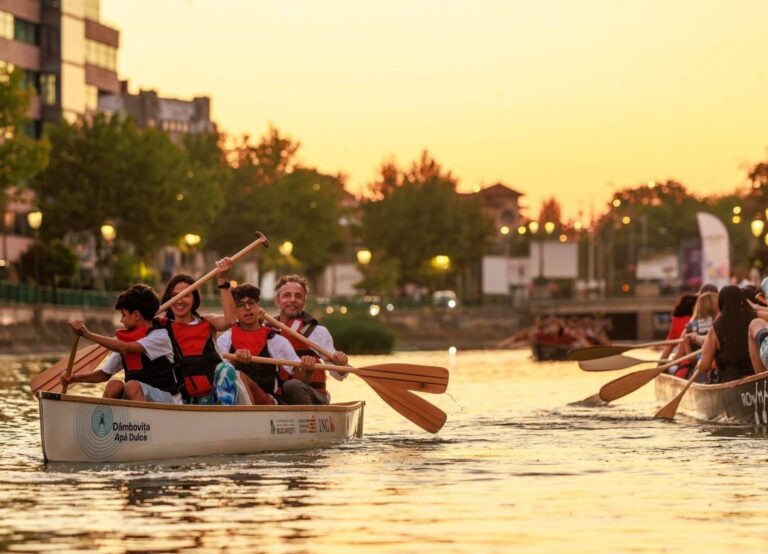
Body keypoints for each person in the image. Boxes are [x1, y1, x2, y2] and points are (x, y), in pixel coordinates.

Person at [60, 284, 180, 404]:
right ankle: (104, 415)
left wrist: (88, 335)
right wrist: (74, 378)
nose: (121, 320)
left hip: (167, 400)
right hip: (138, 396)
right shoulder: (123, 342)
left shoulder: (160, 336)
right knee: (114, 385)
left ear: (136, 315)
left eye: (124, 315)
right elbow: (103, 375)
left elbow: (126, 348)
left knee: (132, 386)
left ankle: (142, 416)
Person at [160, 258, 239, 404]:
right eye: (175, 296)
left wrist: (223, 280)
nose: (179, 300)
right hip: (179, 400)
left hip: (210, 399)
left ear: (194, 298)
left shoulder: (207, 322)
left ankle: (224, 412)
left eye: (186, 295)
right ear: (168, 300)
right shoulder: (160, 326)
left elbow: (230, 321)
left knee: (226, 367)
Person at [216, 283, 309, 405]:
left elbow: (302, 379)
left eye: (251, 303)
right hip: (235, 401)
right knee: (235, 375)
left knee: (239, 376)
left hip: (268, 402)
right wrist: (235, 361)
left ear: (258, 306)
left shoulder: (275, 340)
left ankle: (248, 412)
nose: (247, 308)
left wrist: (308, 369)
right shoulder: (225, 340)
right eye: (240, 305)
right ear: (234, 311)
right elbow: (218, 375)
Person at [271, 274, 348, 405]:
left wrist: (340, 364)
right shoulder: (266, 331)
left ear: (304, 301)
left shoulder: (318, 332)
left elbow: (338, 374)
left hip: (313, 397)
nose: (293, 300)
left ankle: (304, 418)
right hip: (277, 399)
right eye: (287, 295)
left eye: (298, 296)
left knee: (293, 386)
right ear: (277, 300)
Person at [697, 286, 755, 383]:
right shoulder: (757, 317)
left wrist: (699, 362)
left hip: (730, 380)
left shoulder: (714, 329)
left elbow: (704, 366)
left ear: (720, 303)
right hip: (756, 375)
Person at [669, 291, 719, 379]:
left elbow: (687, 357)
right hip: (716, 368)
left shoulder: (690, 326)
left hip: (698, 370)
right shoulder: (719, 323)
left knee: (672, 369)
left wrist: (668, 363)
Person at [659, 293, 697, 362]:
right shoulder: (696, 320)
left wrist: (660, 364)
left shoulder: (676, 321)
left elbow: (668, 347)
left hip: (680, 362)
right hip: (694, 361)